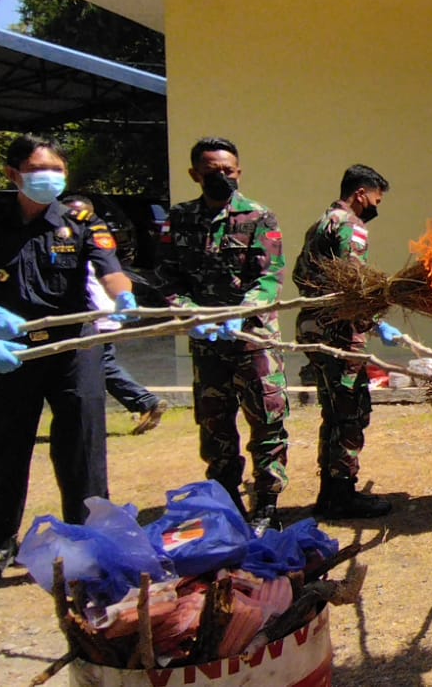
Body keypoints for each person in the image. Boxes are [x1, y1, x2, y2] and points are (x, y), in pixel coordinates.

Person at [0, 134, 138, 586]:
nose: (51, 178)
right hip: (15, 348)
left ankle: (89, 541)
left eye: (58, 171)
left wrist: (125, 299)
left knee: (83, 445)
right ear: (13, 175)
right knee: (9, 446)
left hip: (74, 347)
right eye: (38, 171)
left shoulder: (80, 220)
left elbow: (109, 269)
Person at [158, 138, 292, 530]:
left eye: (228, 171)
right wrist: (190, 313)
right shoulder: (179, 219)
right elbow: (166, 277)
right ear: (194, 174)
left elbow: (269, 278)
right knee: (215, 425)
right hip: (207, 344)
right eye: (212, 171)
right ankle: (227, 501)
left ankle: (267, 505)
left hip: (253, 341)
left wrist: (239, 314)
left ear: (239, 172)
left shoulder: (258, 217)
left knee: (267, 421)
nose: (221, 177)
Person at [292, 164, 404, 519]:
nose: (376, 207)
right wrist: (375, 322)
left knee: (333, 412)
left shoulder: (319, 224)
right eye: (375, 199)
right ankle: (342, 495)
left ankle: (330, 494)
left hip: (313, 328)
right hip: (339, 333)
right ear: (360, 194)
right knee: (351, 412)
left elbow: (298, 275)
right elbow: (352, 283)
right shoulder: (350, 227)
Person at [59, 195, 167, 435]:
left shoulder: (88, 243)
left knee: (102, 365)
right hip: (99, 314)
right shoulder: (76, 242)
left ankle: (145, 402)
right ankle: (144, 402)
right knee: (99, 365)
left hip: (97, 316)